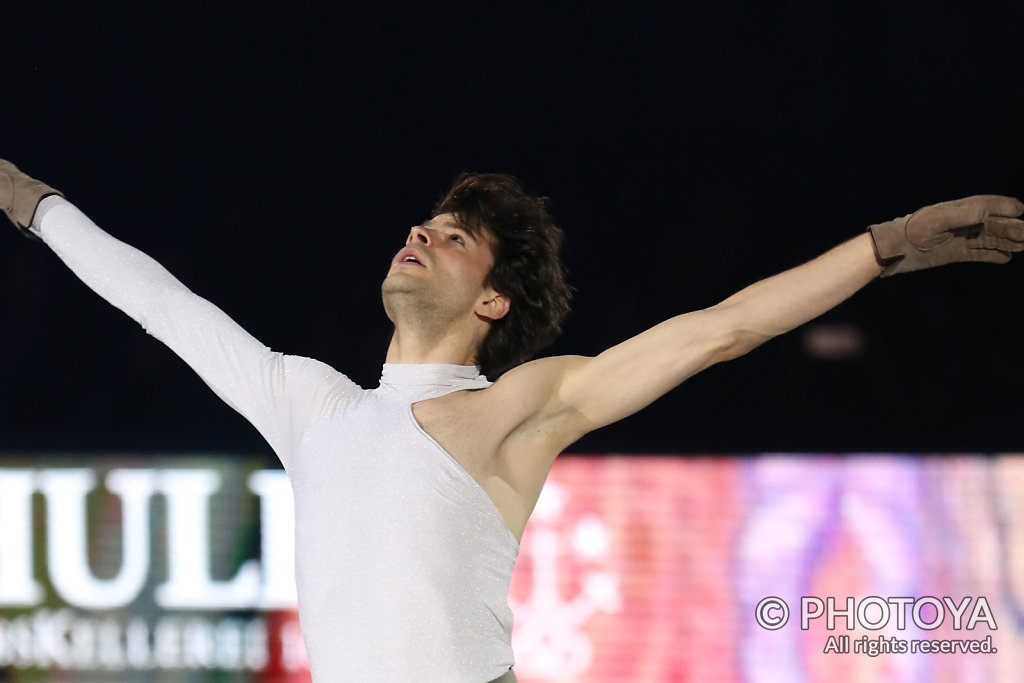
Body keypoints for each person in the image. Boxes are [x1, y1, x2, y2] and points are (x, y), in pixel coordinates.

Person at [2, 158, 1023, 682]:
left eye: (450, 239)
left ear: (492, 302)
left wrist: (886, 245)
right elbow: (154, 299)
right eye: (423, 223)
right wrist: (29, 199)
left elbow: (718, 330)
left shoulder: (514, 411)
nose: (418, 232)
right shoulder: (307, 401)